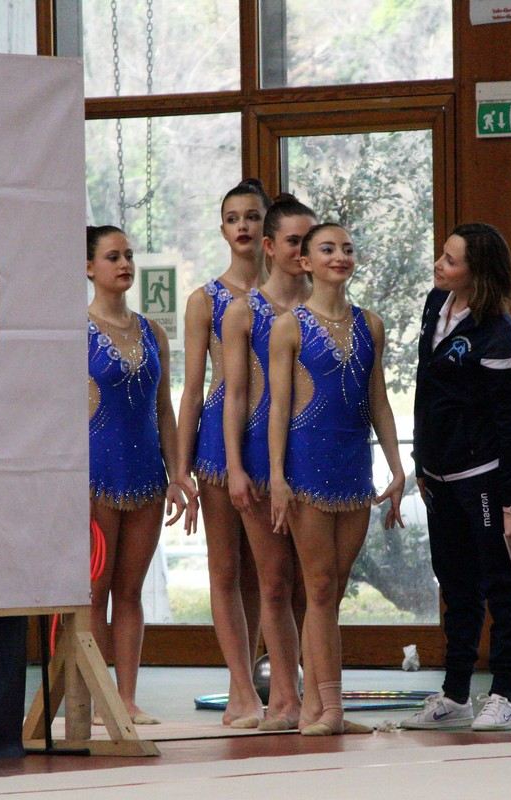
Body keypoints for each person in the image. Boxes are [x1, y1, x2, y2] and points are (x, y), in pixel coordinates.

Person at [268, 222, 406, 736]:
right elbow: (278, 407)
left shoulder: (371, 324)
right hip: (306, 468)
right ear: (305, 262)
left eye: (347, 248)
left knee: (333, 591)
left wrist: (395, 465)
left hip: (353, 469)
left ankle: (321, 707)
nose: (340, 256)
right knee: (320, 586)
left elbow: (378, 400)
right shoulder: (290, 326)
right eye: (327, 249)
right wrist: (277, 477)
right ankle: (325, 707)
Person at [400, 222, 511, 732]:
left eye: (451, 260)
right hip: (439, 475)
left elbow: (510, 427)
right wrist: (422, 463)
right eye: (442, 254)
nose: (439, 264)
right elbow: (426, 391)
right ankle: (456, 694)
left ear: (477, 273)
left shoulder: (499, 334)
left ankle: (504, 693)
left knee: (501, 581)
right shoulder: (438, 304)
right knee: (455, 584)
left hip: (483, 479)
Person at [174, 178, 270, 727]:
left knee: (265, 571)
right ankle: (239, 687)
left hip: (273, 434)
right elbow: (191, 388)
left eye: (252, 217)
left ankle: (257, 674)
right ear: (222, 228)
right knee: (226, 566)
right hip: (219, 436)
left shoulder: (289, 293)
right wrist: (180, 467)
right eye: (233, 217)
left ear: (267, 228)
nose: (242, 226)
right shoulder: (204, 300)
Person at [86, 225, 189, 725]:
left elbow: (164, 409)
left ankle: (126, 698)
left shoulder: (153, 331)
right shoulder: (73, 331)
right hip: (95, 475)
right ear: (89, 268)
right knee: (96, 590)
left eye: (127, 255)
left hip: (147, 473)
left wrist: (178, 473)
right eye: (112, 257)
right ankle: (98, 694)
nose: (124, 263)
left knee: (130, 591)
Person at [222, 194, 317, 731]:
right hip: (261, 459)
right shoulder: (245, 311)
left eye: (310, 240)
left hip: (314, 461)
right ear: (270, 247)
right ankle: (282, 697)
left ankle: (312, 692)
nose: (302, 251)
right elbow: (235, 396)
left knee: (313, 587)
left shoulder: (324, 308)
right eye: (293, 242)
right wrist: (235, 468)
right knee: (275, 582)